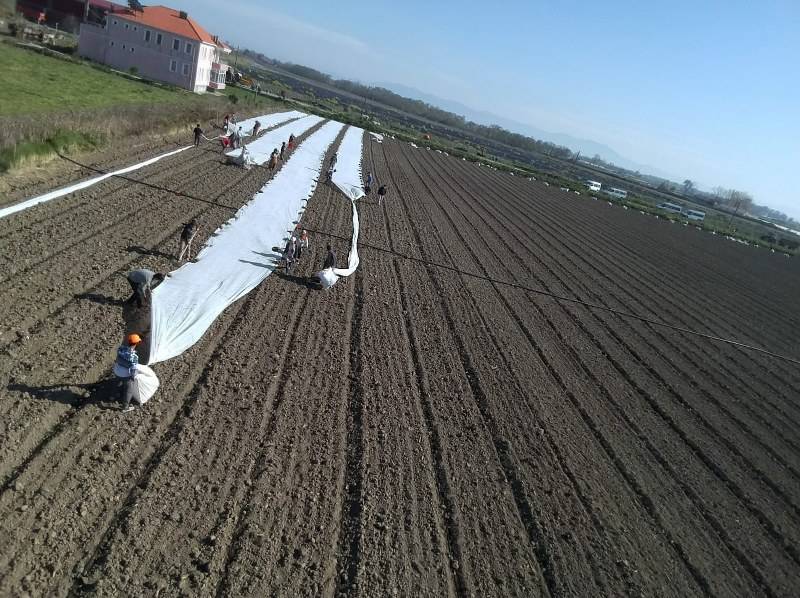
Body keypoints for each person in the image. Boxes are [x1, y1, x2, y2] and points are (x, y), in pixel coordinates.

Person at [114, 333, 141, 413]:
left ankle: (113, 396)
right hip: (125, 375)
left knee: (117, 381)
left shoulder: (121, 348)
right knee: (129, 389)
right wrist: (134, 377)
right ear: (136, 343)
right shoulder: (134, 357)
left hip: (116, 370)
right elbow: (133, 370)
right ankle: (125, 407)